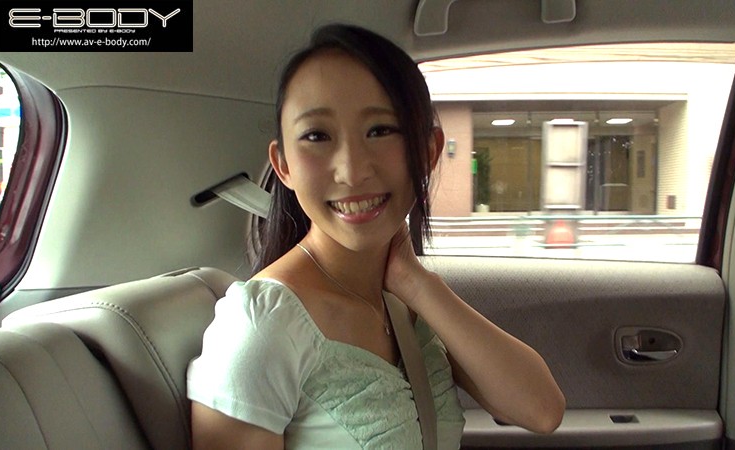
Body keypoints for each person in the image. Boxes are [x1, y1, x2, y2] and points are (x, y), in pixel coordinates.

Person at [187, 24, 565, 449]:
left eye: (380, 130)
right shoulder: (261, 327)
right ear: (284, 165)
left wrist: (416, 284)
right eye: (317, 136)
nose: (352, 171)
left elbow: (541, 410)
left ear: (428, 151)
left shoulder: (405, 303)